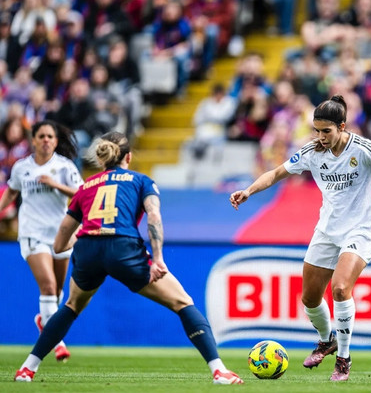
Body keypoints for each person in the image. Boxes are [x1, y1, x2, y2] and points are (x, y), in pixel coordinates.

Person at [14, 132, 243, 385]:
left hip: (88, 249)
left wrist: (81, 241)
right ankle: (219, 371)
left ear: (103, 160)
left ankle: (27, 368)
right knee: (183, 302)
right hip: (123, 247)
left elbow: (60, 242)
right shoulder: (141, 180)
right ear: (129, 157)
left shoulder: (86, 186)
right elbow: (154, 216)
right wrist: (157, 258)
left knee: (70, 307)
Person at [230, 95, 371, 381]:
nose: (321, 136)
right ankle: (327, 340)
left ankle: (343, 359)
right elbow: (277, 173)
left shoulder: (363, 148)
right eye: (317, 130)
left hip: (360, 230)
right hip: (327, 230)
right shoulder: (312, 152)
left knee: (340, 289)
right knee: (310, 298)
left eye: (327, 131)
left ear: (342, 126)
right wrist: (249, 191)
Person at [0, 120, 83, 363]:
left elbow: (81, 194)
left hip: (60, 235)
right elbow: (12, 192)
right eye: (42, 136)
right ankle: (56, 342)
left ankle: (43, 320)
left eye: (50, 136)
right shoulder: (21, 167)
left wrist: (55, 184)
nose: (46, 140)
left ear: (56, 142)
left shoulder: (64, 167)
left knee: (57, 291)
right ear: (33, 140)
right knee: (47, 286)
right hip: (32, 232)